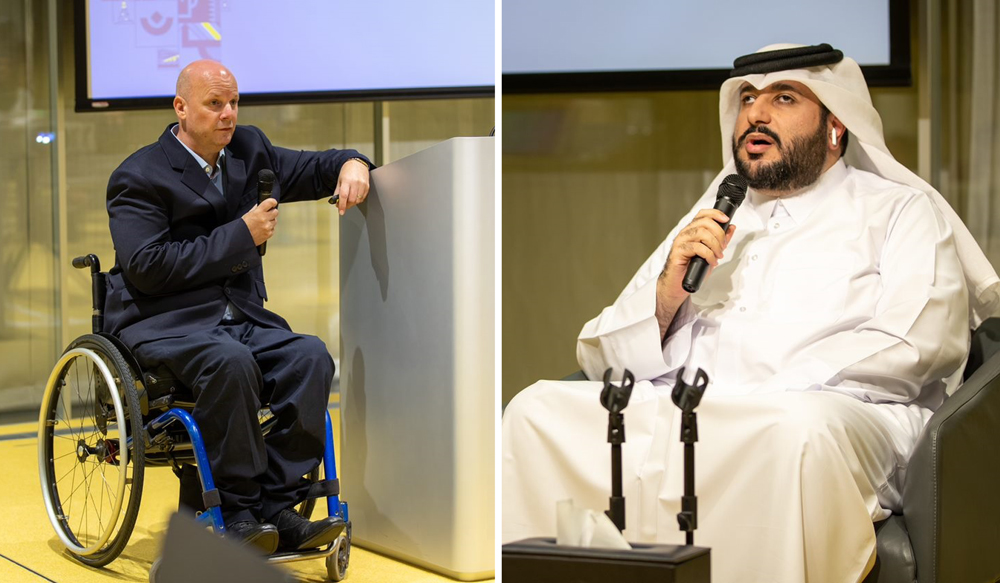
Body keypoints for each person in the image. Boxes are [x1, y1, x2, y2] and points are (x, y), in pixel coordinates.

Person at [502, 44, 1000, 582]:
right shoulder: (716, 211)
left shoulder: (897, 209)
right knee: (536, 410)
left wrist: (757, 383)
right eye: (746, 99)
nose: (755, 115)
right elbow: (600, 351)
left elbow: (919, 342)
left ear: (836, 123)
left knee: (787, 431)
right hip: (698, 404)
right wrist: (667, 298)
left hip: (840, 412)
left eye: (783, 98)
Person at [104, 60, 372, 554]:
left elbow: (314, 167)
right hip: (165, 323)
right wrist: (239, 238)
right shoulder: (138, 176)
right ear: (181, 108)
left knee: (310, 357)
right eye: (214, 104)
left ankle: (278, 506)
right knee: (230, 363)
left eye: (234, 103)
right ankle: (238, 510)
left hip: (240, 318)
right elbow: (146, 266)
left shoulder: (249, 149)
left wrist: (352, 163)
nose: (229, 114)